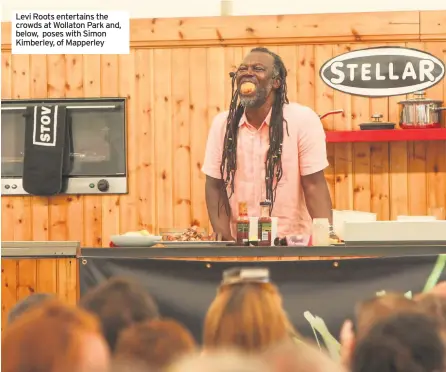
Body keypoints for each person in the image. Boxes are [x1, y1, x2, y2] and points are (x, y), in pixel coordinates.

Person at [202, 47, 334, 241]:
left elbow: (314, 185)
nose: (248, 73)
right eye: (242, 69)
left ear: (276, 82)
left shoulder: (302, 120)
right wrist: (225, 240)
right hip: (241, 242)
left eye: (257, 68)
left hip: (292, 244)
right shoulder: (223, 124)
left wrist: (325, 239)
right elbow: (214, 185)